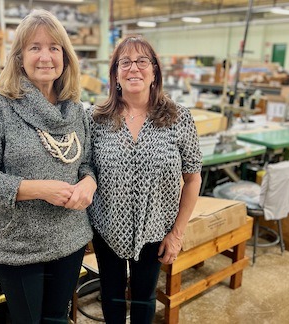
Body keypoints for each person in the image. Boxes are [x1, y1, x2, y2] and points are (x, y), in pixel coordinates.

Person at [0, 9, 97, 324]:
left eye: (54, 47)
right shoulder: (1, 107)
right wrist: (39, 189)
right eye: (35, 47)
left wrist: (89, 183)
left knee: (57, 318)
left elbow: (87, 164)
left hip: (70, 239)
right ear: (19, 57)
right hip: (18, 247)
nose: (46, 56)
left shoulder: (76, 110)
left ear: (65, 56)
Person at [87, 35, 202, 323]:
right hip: (107, 227)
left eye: (142, 61)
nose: (133, 68)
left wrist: (176, 234)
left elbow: (193, 178)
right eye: (124, 62)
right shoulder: (96, 119)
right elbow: (85, 170)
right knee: (111, 295)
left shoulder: (178, 117)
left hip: (156, 230)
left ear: (154, 72)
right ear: (115, 74)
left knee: (144, 298)